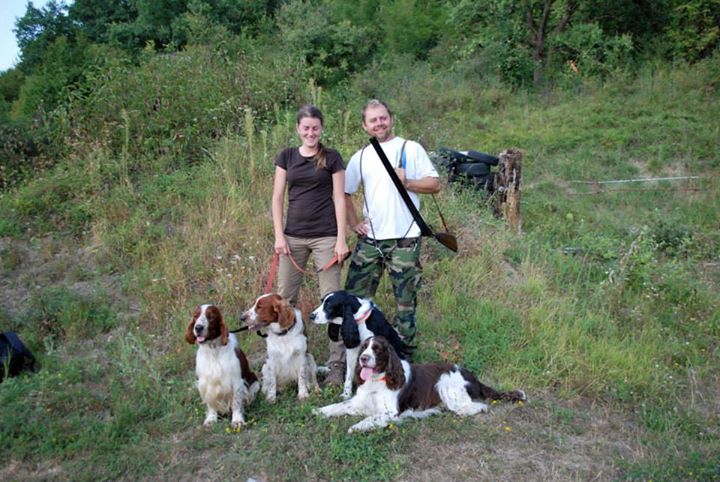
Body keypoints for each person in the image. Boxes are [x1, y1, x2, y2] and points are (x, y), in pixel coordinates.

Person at [344, 99, 440, 350]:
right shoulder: (361, 157)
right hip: (371, 240)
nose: (379, 123)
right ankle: (358, 350)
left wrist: (407, 182)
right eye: (373, 120)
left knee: (405, 302)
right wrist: (354, 222)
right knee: (355, 299)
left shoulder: (411, 148)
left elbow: (434, 185)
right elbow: (344, 192)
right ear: (365, 126)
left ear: (391, 119)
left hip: (405, 240)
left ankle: (404, 356)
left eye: (383, 118)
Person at [272, 104, 349, 386]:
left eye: (315, 127)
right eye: (306, 128)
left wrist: (341, 239)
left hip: (326, 237)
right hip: (292, 237)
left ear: (321, 129)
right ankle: (284, 362)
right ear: (298, 129)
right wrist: (279, 236)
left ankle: (336, 366)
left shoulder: (332, 157)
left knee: (333, 302)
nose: (311, 133)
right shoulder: (287, 156)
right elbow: (277, 198)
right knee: (284, 301)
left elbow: (340, 198)